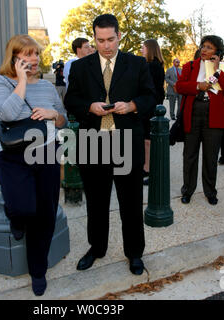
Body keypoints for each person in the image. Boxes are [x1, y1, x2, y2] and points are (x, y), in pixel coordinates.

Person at [64, 14, 156, 276]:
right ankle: (97, 248)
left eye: (111, 39)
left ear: (119, 36)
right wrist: (88, 107)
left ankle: (135, 253)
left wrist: (133, 105)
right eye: (100, 40)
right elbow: (71, 100)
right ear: (94, 37)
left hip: (127, 140)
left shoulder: (137, 64)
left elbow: (151, 96)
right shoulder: (81, 67)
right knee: (96, 201)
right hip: (93, 142)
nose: (106, 45)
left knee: (131, 201)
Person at [0, 34, 67, 296]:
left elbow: (63, 120)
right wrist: (21, 81)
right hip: (13, 155)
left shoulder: (46, 86)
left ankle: (38, 270)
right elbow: (6, 113)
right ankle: (16, 217)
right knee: (22, 207)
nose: (33, 59)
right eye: (27, 54)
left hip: (46, 152)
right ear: (14, 56)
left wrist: (53, 114)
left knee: (45, 214)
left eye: (35, 54)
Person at [176, 35, 224, 206]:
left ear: (217, 52)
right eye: (203, 46)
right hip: (194, 112)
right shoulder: (190, 65)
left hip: (214, 115)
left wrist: (217, 67)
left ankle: (210, 192)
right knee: (190, 155)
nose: (204, 49)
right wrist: (197, 86)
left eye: (209, 47)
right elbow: (179, 86)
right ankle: (187, 190)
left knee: (211, 157)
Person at [141, 39, 165, 186]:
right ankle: (147, 166)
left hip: (149, 106)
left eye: (143, 48)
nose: (142, 50)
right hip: (154, 104)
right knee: (148, 139)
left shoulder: (151, 66)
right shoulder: (157, 65)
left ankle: (148, 168)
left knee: (148, 140)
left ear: (149, 49)